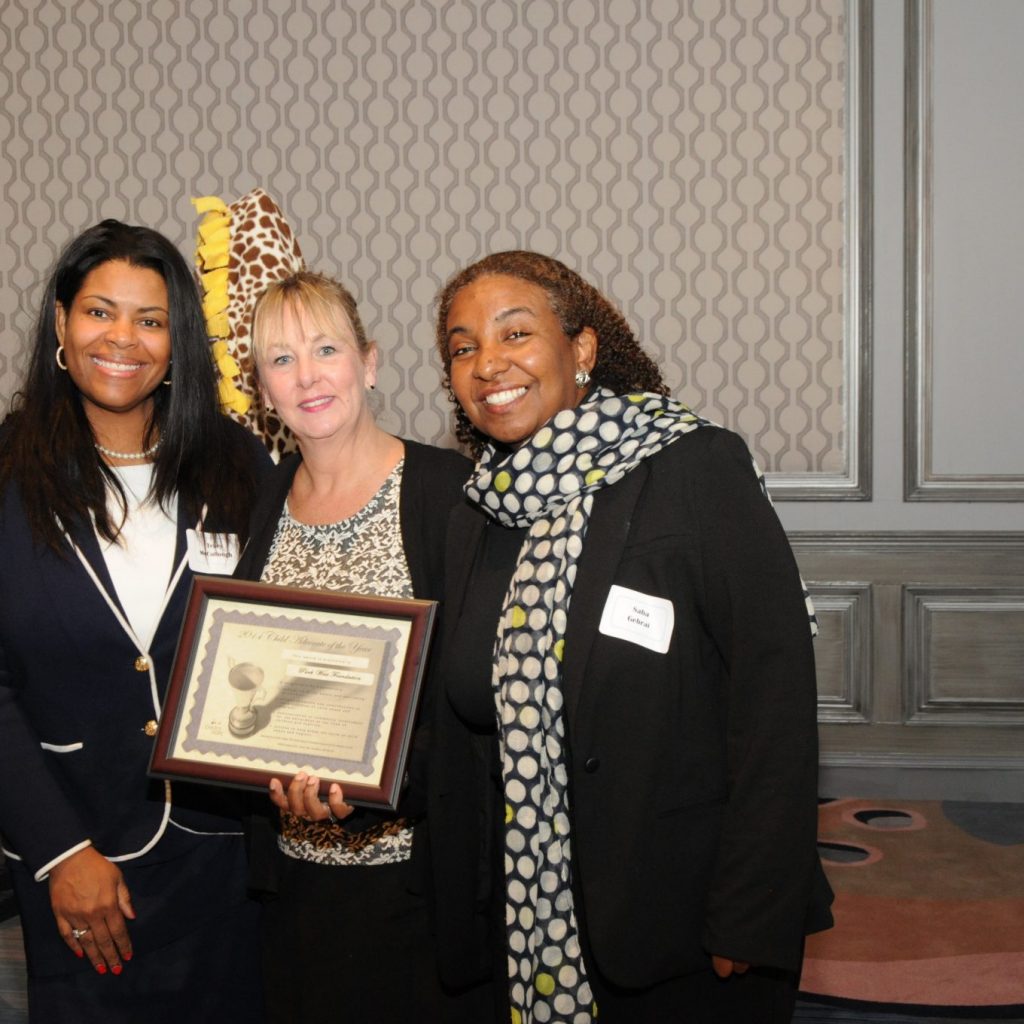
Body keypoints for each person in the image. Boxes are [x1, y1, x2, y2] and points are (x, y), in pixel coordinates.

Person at [426, 251, 833, 1023]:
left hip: (684, 923)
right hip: (528, 922)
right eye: (463, 346)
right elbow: (464, 723)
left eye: (516, 333)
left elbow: (775, 695)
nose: (489, 364)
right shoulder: (477, 515)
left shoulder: (692, 467)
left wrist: (750, 910)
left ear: (581, 349)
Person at [0, 219, 271, 1022]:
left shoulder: (237, 464)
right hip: (81, 861)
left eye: (150, 321)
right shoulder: (8, 473)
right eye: (99, 312)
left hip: (225, 858)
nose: (123, 338)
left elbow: (281, 632)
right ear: (60, 324)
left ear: (178, 340)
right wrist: (57, 851)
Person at [234, 271, 480, 1023]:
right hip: (294, 886)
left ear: (368, 363)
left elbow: (485, 701)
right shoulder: (260, 502)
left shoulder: (449, 493)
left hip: (415, 884)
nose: (306, 376)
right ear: (262, 390)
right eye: (280, 360)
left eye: (325, 349)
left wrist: (374, 791)